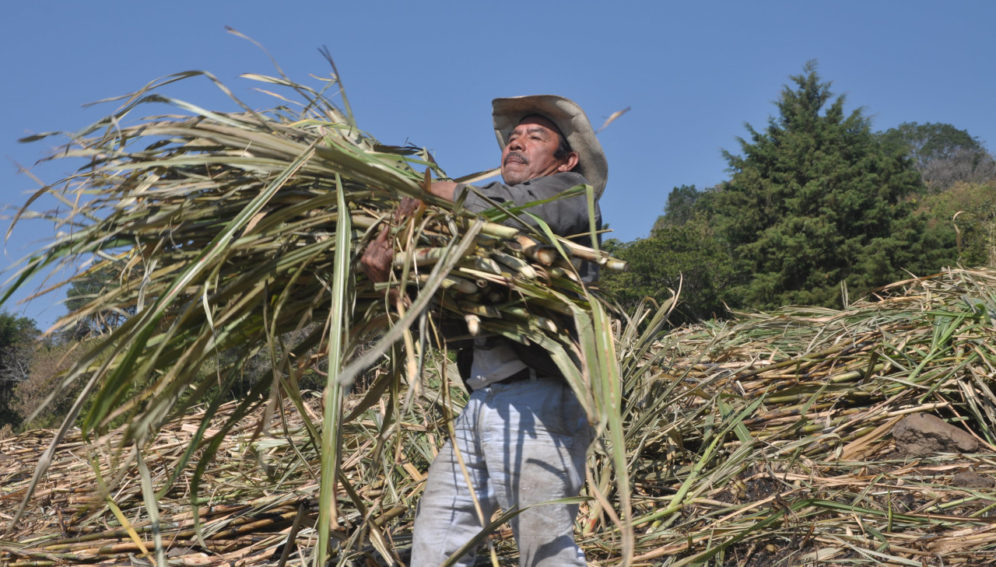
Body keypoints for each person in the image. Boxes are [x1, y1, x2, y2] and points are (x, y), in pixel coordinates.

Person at [361, 95, 608, 567]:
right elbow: (443, 320)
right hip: (482, 401)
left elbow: (510, 210)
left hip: (540, 401)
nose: (516, 143)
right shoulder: (472, 235)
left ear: (566, 160)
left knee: (545, 547)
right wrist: (394, 274)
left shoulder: (570, 196)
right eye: (513, 138)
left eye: (535, 137)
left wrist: (430, 191)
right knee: (438, 549)